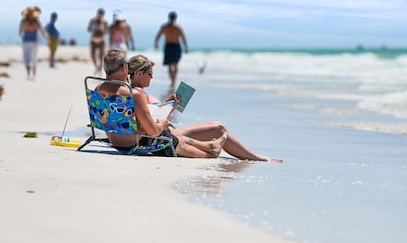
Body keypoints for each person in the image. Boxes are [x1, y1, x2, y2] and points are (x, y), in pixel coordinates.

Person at [100, 50, 282, 162]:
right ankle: (213, 148)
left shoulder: (99, 89)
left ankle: (212, 147)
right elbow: (154, 132)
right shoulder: (133, 93)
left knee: (179, 134)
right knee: (173, 134)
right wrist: (162, 124)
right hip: (142, 144)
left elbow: (113, 121)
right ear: (124, 68)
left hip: (121, 143)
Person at [154, 11, 188, 89]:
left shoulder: (178, 27)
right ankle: (172, 80)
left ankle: (174, 80)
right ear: (169, 18)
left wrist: (186, 47)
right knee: (169, 65)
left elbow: (183, 37)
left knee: (175, 64)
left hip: (176, 46)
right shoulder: (164, 27)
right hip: (168, 46)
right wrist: (156, 42)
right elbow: (158, 35)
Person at [18, 6, 48, 80]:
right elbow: (42, 30)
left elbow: (20, 32)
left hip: (25, 41)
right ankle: (34, 74)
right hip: (34, 41)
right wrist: (47, 39)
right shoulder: (36, 21)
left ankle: (28, 74)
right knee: (34, 58)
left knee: (26, 58)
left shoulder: (23, 21)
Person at [87, 8, 108, 73]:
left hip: (101, 40)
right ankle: (96, 66)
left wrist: (102, 31)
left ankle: (100, 68)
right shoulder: (92, 20)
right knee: (93, 55)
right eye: (100, 13)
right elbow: (88, 29)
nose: (100, 15)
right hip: (94, 39)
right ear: (97, 13)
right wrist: (94, 30)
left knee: (101, 55)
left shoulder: (104, 21)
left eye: (102, 14)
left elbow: (106, 31)